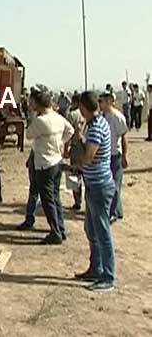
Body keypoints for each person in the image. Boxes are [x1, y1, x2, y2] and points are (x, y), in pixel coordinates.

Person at [75, 91, 116, 291]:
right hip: (94, 184)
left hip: (100, 185)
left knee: (102, 231)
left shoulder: (96, 127)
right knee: (91, 230)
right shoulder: (95, 124)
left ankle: (108, 276)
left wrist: (79, 146)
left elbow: (89, 156)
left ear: (84, 107)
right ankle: (96, 268)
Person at [25, 89, 74, 244]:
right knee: (55, 198)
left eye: (32, 101)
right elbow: (70, 131)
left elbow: (28, 134)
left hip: (44, 164)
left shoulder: (41, 121)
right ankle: (60, 228)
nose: (30, 104)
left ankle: (55, 233)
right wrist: (60, 142)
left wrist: (33, 117)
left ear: (38, 103)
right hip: (56, 162)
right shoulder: (58, 118)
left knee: (48, 201)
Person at [98, 92, 128, 222]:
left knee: (115, 185)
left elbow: (124, 136)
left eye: (102, 101)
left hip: (115, 155)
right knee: (107, 184)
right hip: (104, 155)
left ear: (109, 102)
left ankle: (113, 212)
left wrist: (125, 156)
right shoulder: (101, 116)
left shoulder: (117, 117)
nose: (100, 104)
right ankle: (117, 210)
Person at [67, 94, 86, 211]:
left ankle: (77, 201)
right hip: (87, 147)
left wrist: (65, 148)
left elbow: (68, 133)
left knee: (75, 175)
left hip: (75, 147)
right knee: (87, 175)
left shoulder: (72, 115)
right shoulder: (87, 115)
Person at [146, 76, 152, 142]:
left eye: (149, 88)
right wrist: (147, 81)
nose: (148, 89)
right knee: (149, 124)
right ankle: (149, 136)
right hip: (150, 109)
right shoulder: (149, 94)